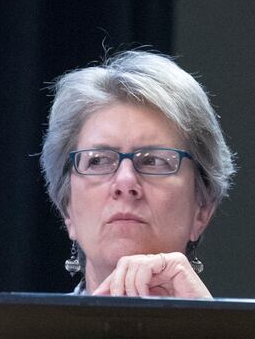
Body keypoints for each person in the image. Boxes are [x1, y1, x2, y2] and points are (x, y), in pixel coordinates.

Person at [40, 50, 236, 298]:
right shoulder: (9, 337)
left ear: (202, 209)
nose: (125, 182)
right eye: (98, 161)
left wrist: (207, 329)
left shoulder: (239, 338)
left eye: (154, 161)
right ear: (66, 208)